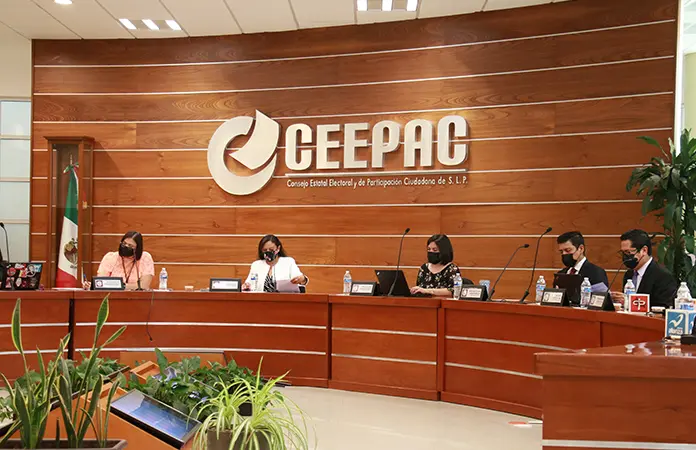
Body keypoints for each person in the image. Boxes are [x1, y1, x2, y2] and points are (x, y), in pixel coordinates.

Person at [610, 229, 678, 308]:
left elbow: (663, 308)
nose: (625, 257)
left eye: (628, 252)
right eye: (623, 252)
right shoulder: (629, 274)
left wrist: (630, 302)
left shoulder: (663, 276)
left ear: (644, 250)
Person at [84, 231, 155, 290]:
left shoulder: (145, 258)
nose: (126, 247)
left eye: (130, 246)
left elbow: (143, 286)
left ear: (137, 248)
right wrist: (92, 286)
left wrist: (121, 286)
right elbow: (101, 282)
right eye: (124, 244)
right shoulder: (110, 257)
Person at [243, 235, 308, 292]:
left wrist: (302, 279)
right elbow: (249, 284)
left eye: (271, 250)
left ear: (278, 248)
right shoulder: (256, 265)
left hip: (284, 299)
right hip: (260, 300)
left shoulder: (288, 262)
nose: (268, 252)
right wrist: (246, 286)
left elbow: (300, 280)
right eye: (265, 250)